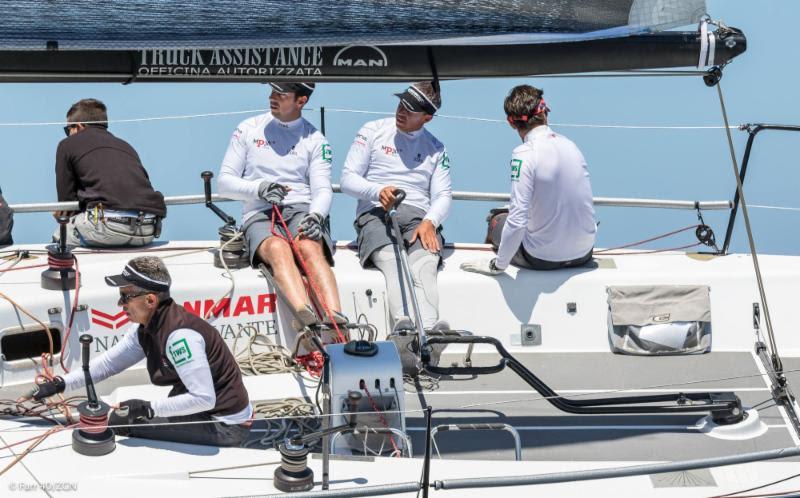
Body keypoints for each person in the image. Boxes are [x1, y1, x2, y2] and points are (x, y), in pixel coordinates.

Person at [19, 256, 252, 447]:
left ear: (150, 300)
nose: (120, 304)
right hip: (207, 411)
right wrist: (59, 384)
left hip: (225, 425)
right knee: (123, 417)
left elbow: (203, 398)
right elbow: (108, 365)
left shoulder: (180, 337)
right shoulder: (145, 327)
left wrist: (149, 408)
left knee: (122, 424)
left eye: (125, 297)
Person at [217, 83, 345, 329]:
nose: (271, 97)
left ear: (301, 101)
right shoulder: (247, 129)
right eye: (272, 92)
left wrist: (317, 216)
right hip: (259, 212)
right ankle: (304, 317)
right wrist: (259, 188)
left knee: (308, 246)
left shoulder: (316, 140)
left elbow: (322, 189)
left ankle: (336, 318)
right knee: (277, 248)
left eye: (281, 94)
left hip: (302, 208)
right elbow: (224, 183)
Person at [340, 82, 452, 331]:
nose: (401, 111)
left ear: (427, 117)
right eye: (401, 103)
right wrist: (377, 191)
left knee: (425, 265)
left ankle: (432, 333)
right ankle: (404, 328)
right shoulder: (372, 130)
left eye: (410, 110)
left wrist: (430, 221)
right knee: (394, 260)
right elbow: (347, 179)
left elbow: (443, 194)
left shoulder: (436, 148)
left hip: (417, 217)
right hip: (375, 212)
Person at [461, 85, 596, 276]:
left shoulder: (524, 154)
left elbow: (517, 220)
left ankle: (494, 269)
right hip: (584, 252)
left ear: (511, 123)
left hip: (542, 258)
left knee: (498, 220)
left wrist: (498, 266)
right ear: (545, 112)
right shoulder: (571, 145)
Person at [55, 98, 166, 247]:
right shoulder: (126, 146)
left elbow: (67, 204)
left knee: (59, 236)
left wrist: (62, 214)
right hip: (148, 229)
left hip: (107, 228)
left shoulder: (67, 145)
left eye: (68, 129)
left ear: (79, 126)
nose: (68, 134)